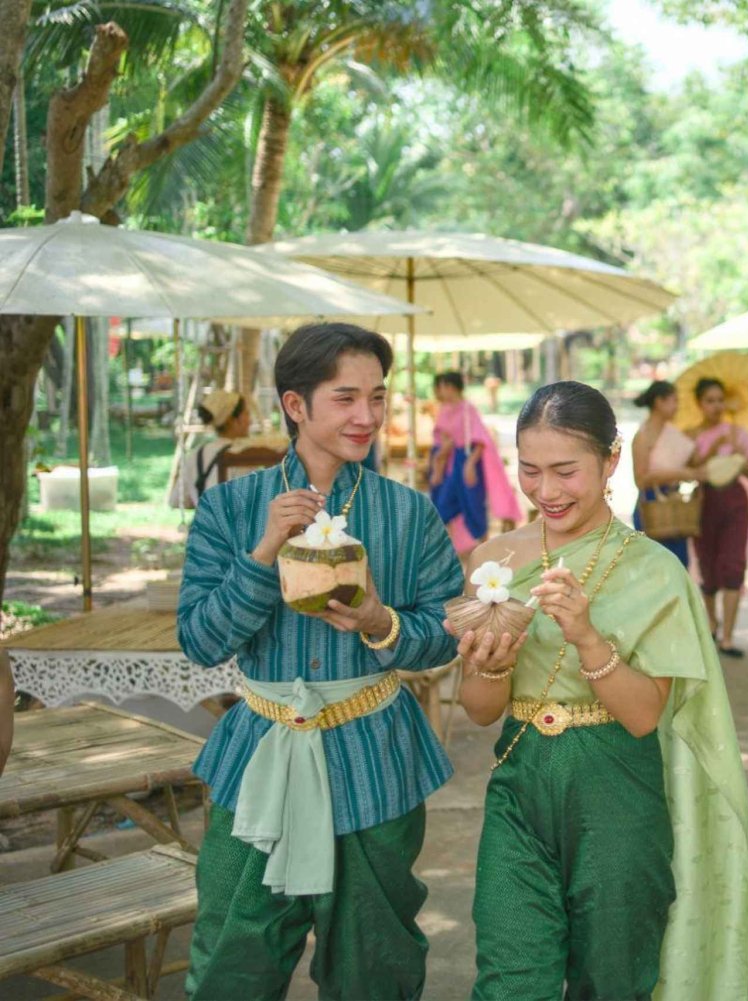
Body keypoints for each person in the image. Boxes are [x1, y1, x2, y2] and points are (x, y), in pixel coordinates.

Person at [178, 323, 464, 998]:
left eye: (378, 397)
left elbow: (446, 631)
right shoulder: (229, 507)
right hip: (257, 755)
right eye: (345, 398)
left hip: (374, 759)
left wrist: (378, 620)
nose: (367, 416)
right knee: (231, 954)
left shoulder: (408, 513)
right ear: (296, 405)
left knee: (376, 956)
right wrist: (262, 552)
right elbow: (201, 641)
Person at [457, 381, 748, 1001]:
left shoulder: (654, 571)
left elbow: (646, 716)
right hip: (521, 781)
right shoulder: (496, 562)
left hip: (617, 786)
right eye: (530, 471)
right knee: (511, 978)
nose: (546, 491)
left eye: (566, 471)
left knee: (613, 978)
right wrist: (492, 662)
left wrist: (587, 636)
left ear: (611, 459)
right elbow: (482, 711)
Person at [689, 377, 748, 658]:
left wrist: (742, 458)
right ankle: (712, 622)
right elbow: (687, 468)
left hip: (735, 502)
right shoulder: (692, 434)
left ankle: (728, 636)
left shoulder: (738, 434)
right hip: (704, 502)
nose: (716, 406)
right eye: (710, 400)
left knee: (733, 565)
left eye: (720, 400)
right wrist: (710, 447)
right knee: (707, 566)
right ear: (699, 404)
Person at [429, 371, 523, 557]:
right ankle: (445, 550)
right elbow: (443, 441)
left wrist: (470, 464)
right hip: (452, 461)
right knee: (443, 505)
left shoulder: (467, 409)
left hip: (469, 459)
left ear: (450, 386)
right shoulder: (444, 410)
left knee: (474, 503)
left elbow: (480, 440)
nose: (439, 391)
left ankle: (484, 549)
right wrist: (438, 467)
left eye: (441, 387)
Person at [631, 380, 702, 567]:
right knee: (655, 569)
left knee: (678, 568)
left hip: (674, 505)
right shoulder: (643, 437)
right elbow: (641, 479)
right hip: (652, 505)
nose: (676, 406)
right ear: (658, 402)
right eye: (673, 401)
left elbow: (694, 463)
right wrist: (680, 473)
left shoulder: (674, 433)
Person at [178, 389, 253, 508]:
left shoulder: (196, 454)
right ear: (232, 420)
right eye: (246, 414)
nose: (250, 421)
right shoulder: (241, 455)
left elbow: (177, 499)